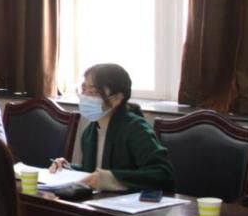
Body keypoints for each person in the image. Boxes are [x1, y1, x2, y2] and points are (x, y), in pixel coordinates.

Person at [49, 63, 175, 192]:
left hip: (130, 203)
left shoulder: (136, 129)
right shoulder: (90, 131)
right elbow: (94, 172)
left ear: (116, 99)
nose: (85, 97)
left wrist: (111, 178)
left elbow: (163, 174)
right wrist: (68, 169)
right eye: (83, 89)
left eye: (93, 92)